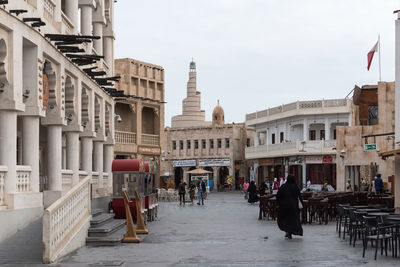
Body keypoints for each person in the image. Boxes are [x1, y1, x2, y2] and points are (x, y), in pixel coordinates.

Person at [276, 174, 303, 239]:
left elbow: (278, 196)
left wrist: (279, 203)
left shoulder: (283, 186)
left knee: (286, 220)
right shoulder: (296, 187)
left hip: (284, 207)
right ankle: (290, 232)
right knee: (292, 220)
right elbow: (299, 196)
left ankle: (287, 232)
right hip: (293, 206)